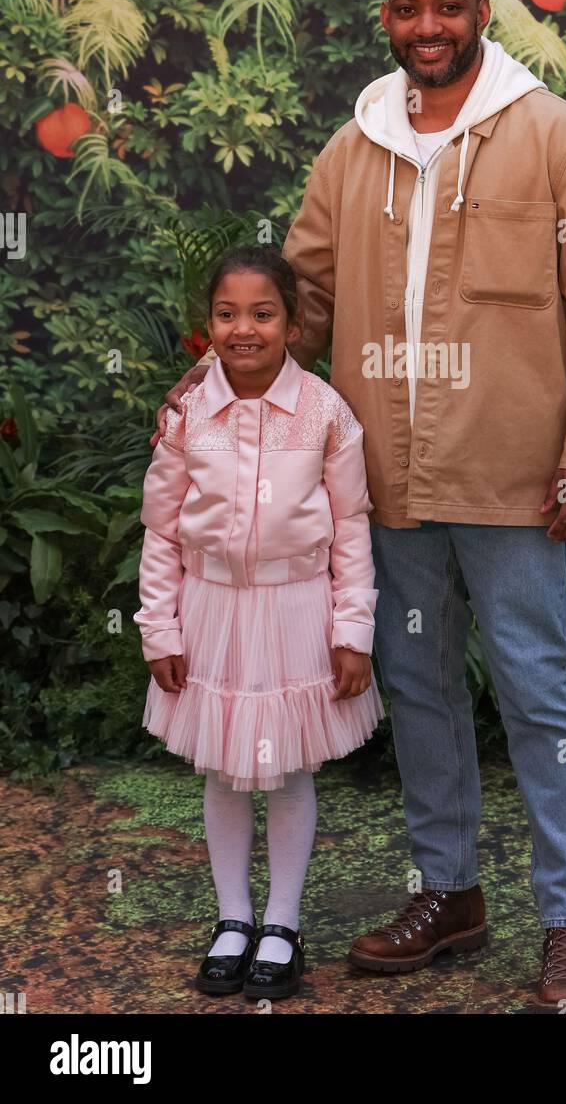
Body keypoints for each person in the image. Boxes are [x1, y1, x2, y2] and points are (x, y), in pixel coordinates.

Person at [153, 0, 566, 1013]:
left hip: (519, 478)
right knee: (419, 693)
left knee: (537, 694)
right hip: (388, 482)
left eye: (447, 7)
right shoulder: (354, 148)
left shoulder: (563, 141)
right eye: (405, 9)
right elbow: (300, 306)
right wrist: (205, 397)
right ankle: (450, 892)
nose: (426, 26)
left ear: (483, 9)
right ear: (384, 16)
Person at [134, 243, 384, 1001]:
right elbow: (161, 530)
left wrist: (354, 629)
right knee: (224, 768)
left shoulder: (325, 413)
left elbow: (350, 526)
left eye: (263, 314)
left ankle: (282, 922)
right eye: (226, 314)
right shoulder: (186, 414)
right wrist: (160, 629)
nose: (244, 330)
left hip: (296, 608)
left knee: (287, 771)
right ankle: (232, 918)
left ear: (293, 322)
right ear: (206, 322)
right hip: (211, 610)